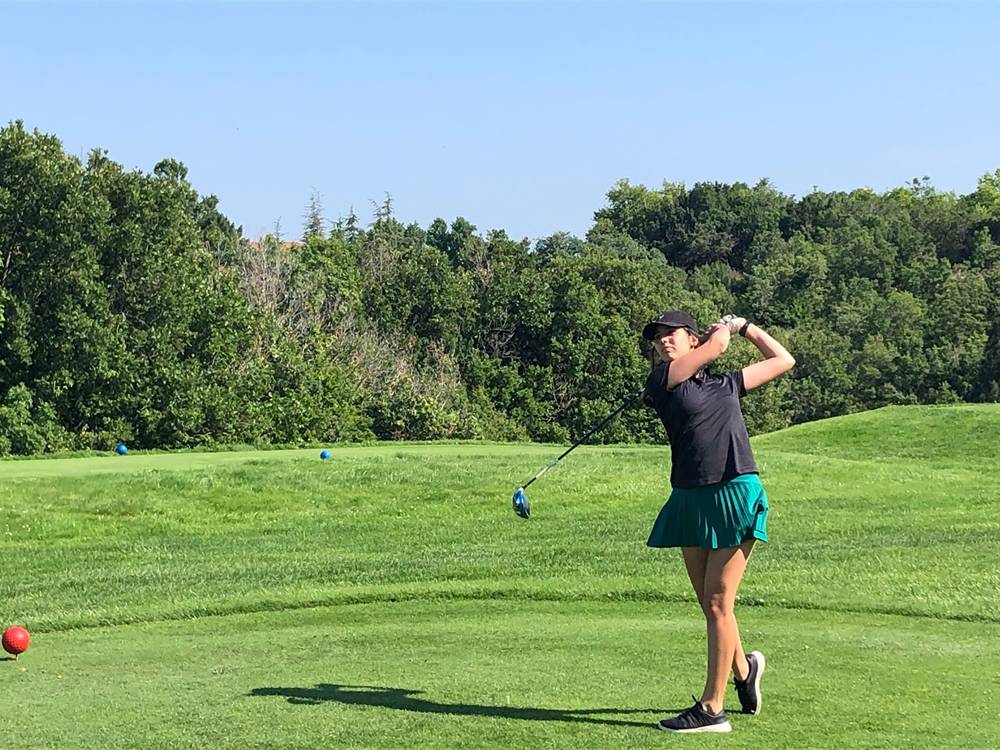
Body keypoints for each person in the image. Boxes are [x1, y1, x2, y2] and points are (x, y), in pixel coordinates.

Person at [640, 309, 795, 734]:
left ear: (691, 337)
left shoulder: (726, 384)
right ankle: (744, 670)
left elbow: (783, 360)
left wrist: (745, 327)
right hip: (690, 498)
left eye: (672, 333)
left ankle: (712, 709)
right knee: (710, 603)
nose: (663, 340)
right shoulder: (662, 380)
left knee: (716, 604)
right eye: (658, 336)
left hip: (733, 491)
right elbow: (718, 346)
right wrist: (722, 333)